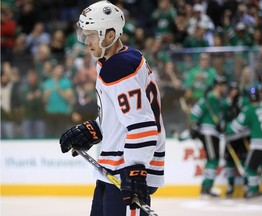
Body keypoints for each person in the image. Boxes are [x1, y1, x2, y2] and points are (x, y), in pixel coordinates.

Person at [59, 1, 166, 216]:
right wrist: (95, 129)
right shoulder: (118, 60)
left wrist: (136, 169)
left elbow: (142, 125)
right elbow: (123, 116)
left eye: (91, 35)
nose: (86, 42)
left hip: (126, 169)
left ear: (110, 35)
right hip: (114, 168)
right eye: (84, 35)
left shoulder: (119, 67)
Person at [226, 87, 262, 198]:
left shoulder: (248, 110)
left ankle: (253, 190)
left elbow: (236, 127)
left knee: (250, 168)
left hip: (260, 144)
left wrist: (224, 127)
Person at [190, 75, 228, 197]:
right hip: (208, 132)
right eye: (223, 85)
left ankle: (206, 187)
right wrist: (195, 126)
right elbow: (195, 112)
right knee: (213, 159)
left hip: (214, 133)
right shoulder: (209, 98)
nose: (225, 88)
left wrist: (221, 125)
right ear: (218, 86)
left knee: (213, 159)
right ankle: (207, 187)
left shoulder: (218, 100)